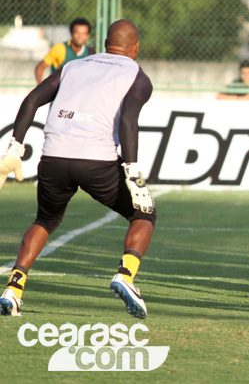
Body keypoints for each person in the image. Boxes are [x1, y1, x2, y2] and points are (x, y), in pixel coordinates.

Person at [0, 19, 156, 319]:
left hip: (53, 157)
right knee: (144, 213)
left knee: (45, 219)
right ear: (135, 47)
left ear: (106, 41)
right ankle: (125, 275)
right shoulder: (137, 75)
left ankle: (14, 288)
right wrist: (133, 173)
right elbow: (127, 122)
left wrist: (14, 150)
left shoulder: (74, 66)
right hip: (96, 161)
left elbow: (32, 100)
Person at [35, 18, 94, 84]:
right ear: (71, 34)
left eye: (84, 33)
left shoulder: (90, 53)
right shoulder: (60, 49)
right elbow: (40, 67)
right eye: (77, 33)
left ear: (88, 36)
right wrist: (40, 86)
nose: (80, 36)